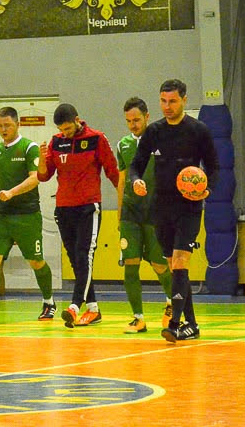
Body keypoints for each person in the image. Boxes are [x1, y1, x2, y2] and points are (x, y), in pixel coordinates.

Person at [129, 79, 219, 342]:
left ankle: (176, 323)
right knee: (172, 265)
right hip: (161, 206)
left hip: (189, 206)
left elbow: (214, 167)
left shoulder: (198, 130)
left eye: (173, 101)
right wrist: (137, 180)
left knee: (181, 260)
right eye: (163, 101)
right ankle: (192, 324)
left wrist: (208, 189)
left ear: (184, 100)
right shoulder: (154, 132)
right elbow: (137, 164)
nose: (167, 107)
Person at [0, 106, 56, 324]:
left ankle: (49, 302)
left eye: (7, 125)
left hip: (26, 215)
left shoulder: (29, 148)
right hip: (1, 216)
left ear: (18, 124)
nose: (3, 129)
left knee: (35, 261)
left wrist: (12, 191)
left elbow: (36, 178)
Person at [38, 103, 120, 328]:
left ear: (77, 119)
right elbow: (44, 177)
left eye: (67, 128)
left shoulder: (96, 139)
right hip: (64, 207)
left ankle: (74, 306)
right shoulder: (56, 142)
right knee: (75, 258)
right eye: (61, 129)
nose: (65, 133)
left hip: (88, 207)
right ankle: (93, 309)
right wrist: (41, 159)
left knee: (85, 255)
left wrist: (124, 202)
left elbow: (113, 172)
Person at [116, 97, 173, 333]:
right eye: (129, 121)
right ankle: (138, 317)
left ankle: (172, 304)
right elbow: (121, 180)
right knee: (131, 263)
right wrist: (119, 215)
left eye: (137, 120)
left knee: (159, 264)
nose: (133, 125)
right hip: (130, 212)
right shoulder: (123, 145)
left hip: (156, 212)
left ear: (147, 117)